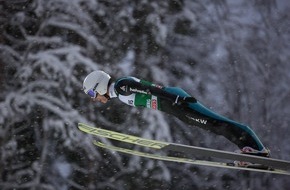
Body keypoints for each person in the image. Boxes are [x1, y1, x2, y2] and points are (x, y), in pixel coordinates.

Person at [82, 70, 270, 164]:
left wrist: (176, 98)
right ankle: (250, 152)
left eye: (92, 94)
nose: (94, 99)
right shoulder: (119, 93)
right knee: (214, 126)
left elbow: (151, 89)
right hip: (173, 107)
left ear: (99, 85)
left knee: (216, 123)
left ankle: (257, 149)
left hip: (175, 102)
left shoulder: (121, 86)